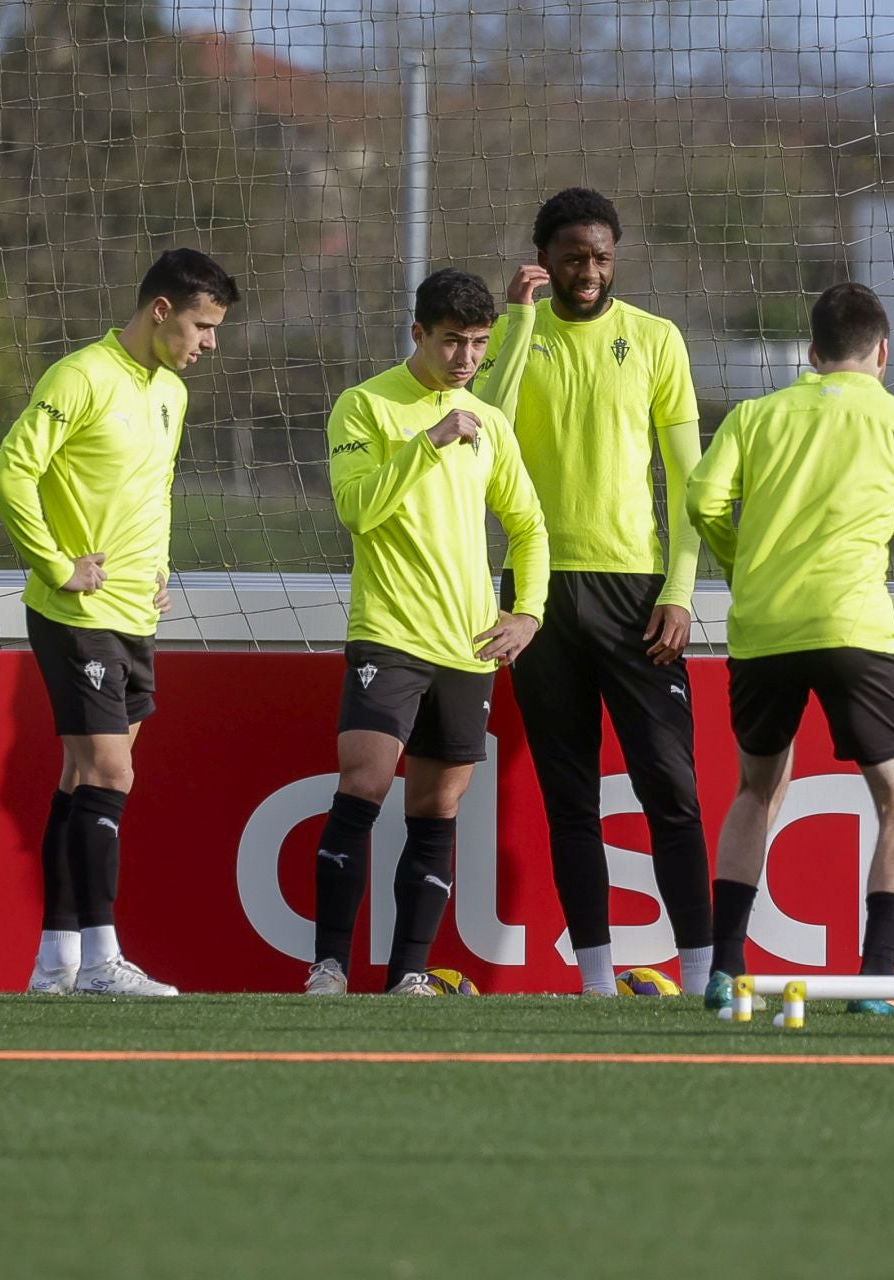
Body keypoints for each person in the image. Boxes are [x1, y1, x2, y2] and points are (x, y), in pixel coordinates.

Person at [687, 283, 894, 1013]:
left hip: (763, 631)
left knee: (756, 792)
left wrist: (740, 566)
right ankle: (874, 983)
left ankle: (722, 972)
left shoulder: (754, 416)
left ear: (811, 355)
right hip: (855, 633)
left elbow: (701, 501)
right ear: (883, 352)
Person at [472, 187, 713, 997]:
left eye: (602, 257)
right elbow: (483, 427)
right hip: (537, 592)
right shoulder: (516, 336)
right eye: (574, 256)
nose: (589, 271)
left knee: (670, 789)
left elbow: (690, 483)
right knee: (568, 795)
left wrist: (679, 590)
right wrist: (514, 322)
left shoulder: (655, 339)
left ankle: (706, 971)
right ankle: (599, 983)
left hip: (635, 592)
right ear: (543, 256)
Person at [0, 248, 239, 997]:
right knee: (109, 772)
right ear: (160, 310)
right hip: (76, 611)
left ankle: (55, 962)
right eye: (202, 324)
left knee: (80, 779)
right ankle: (102, 960)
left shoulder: (170, 392)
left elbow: (149, 490)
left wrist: (155, 570)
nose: (210, 342)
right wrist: (56, 562)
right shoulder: (82, 376)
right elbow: (10, 473)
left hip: (133, 611)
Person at [303, 268, 548, 996]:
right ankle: (328, 967)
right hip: (389, 634)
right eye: (452, 343)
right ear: (419, 334)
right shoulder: (366, 406)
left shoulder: (490, 424)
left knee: (437, 810)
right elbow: (357, 510)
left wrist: (527, 612)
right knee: (365, 782)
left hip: (468, 645)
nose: (466, 359)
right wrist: (429, 442)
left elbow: (530, 527)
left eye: (477, 344)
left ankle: (409, 974)